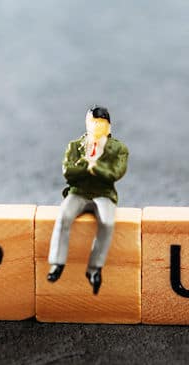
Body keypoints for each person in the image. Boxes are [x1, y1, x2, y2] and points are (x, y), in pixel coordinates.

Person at [47, 106, 129, 295]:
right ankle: (57, 263)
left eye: (100, 122)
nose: (96, 126)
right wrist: (86, 166)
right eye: (93, 122)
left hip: (104, 193)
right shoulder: (75, 146)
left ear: (108, 125)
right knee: (63, 216)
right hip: (79, 191)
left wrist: (95, 169)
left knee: (107, 222)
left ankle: (95, 268)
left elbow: (115, 173)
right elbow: (69, 172)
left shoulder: (118, 148)